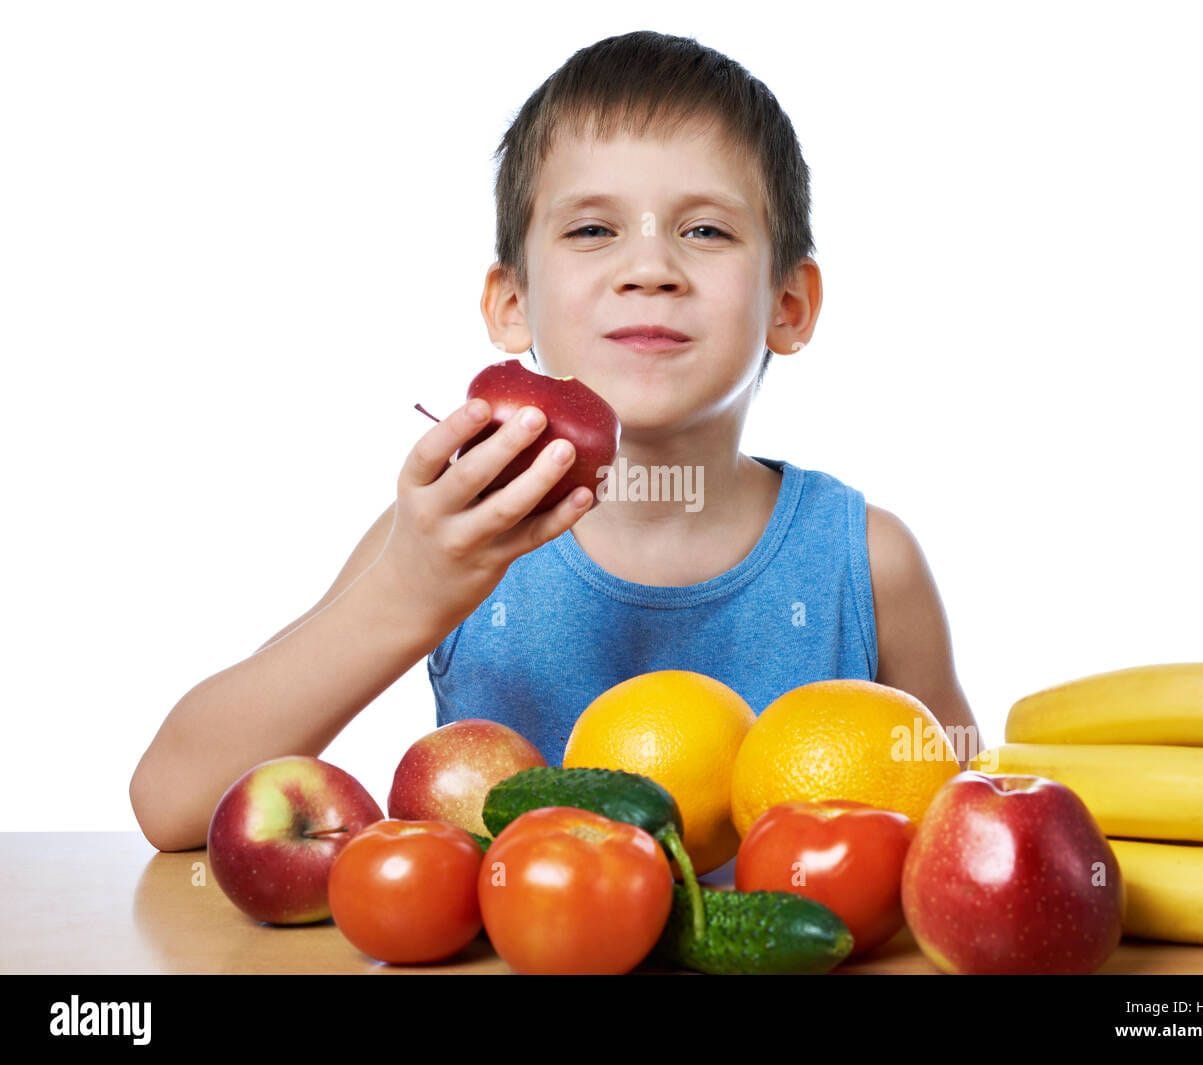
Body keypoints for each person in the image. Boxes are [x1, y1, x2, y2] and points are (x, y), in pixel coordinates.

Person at [130, 29, 982, 852]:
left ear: (789, 306)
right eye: (592, 230)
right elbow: (172, 800)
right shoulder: (451, 536)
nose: (649, 267)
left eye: (706, 230)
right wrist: (414, 590)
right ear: (511, 304)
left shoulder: (865, 561)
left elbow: (963, 822)